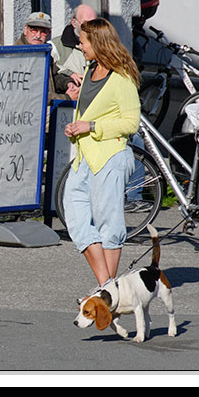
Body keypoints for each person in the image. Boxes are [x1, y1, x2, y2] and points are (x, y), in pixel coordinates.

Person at [61, 18, 141, 299]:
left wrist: (91, 127)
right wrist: (77, 112)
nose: (80, 47)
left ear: (97, 42)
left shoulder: (122, 77)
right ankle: (108, 286)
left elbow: (131, 123)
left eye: (83, 42)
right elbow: (96, 110)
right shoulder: (90, 69)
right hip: (84, 159)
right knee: (76, 219)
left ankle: (105, 294)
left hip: (110, 157)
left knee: (110, 224)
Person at [52, 4, 98, 100]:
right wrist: (69, 73)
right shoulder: (54, 46)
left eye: (94, 23)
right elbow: (49, 73)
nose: (90, 29)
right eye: (85, 24)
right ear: (74, 22)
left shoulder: (103, 45)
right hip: (69, 107)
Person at [15, 11, 63, 100]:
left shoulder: (45, 52)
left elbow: (54, 76)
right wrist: (65, 98)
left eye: (43, 32)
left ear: (49, 33)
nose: (38, 36)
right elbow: (30, 95)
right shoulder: (16, 55)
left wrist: (69, 83)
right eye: (34, 30)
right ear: (25, 30)